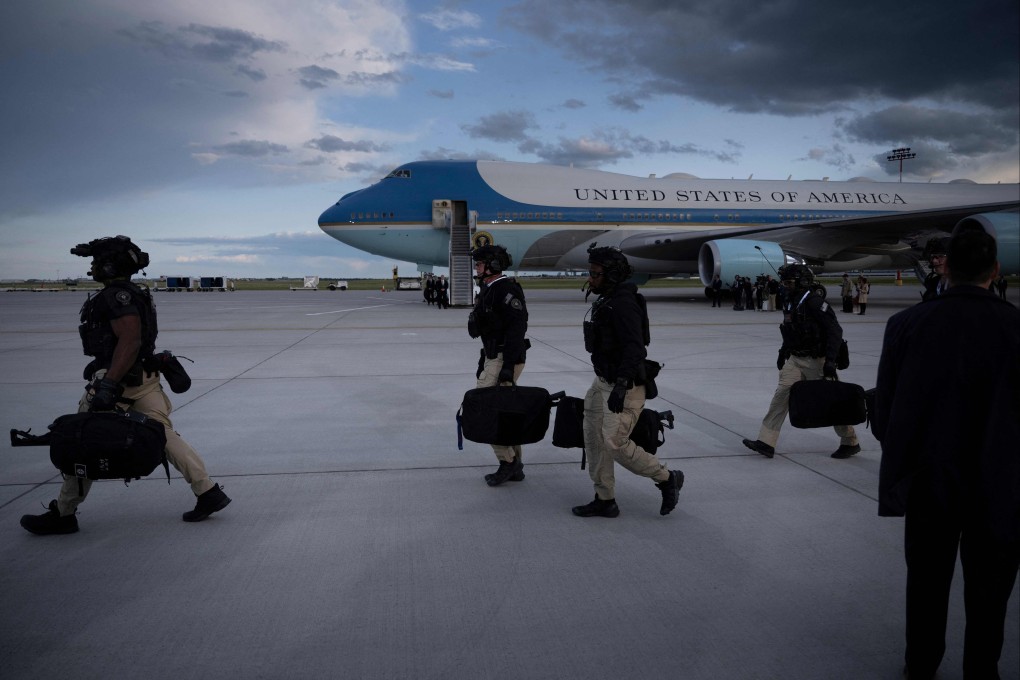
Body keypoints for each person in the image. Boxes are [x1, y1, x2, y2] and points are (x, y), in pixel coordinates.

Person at [872, 228, 1019, 679]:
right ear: (995, 271)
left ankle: (921, 663)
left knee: (928, 583)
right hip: (1001, 483)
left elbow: (884, 415)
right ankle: (981, 668)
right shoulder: (1015, 328)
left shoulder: (906, 325)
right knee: (990, 590)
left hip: (929, 480)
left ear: (946, 267)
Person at [20, 236, 231, 535]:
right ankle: (207, 491)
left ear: (108, 266)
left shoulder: (114, 297)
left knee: (82, 439)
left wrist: (108, 384)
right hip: (145, 378)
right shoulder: (134, 293)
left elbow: (129, 340)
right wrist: (94, 248)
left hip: (119, 380)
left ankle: (65, 514)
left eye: (96, 263)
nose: (92, 267)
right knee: (163, 435)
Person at [572, 246, 683, 518]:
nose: (591, 279)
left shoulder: (623, 303)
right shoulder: (607, 299)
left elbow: (635, 348)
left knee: (614, 442)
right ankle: (605, 499)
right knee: (595, 443)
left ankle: (667, 477)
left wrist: (621, 385)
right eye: (590, 272)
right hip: (602, 382)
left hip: (624, 387)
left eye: (595, 273)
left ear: (611, 275)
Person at [742, 264, 860, 460]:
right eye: (784, 282)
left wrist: (830, 360)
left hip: (818, 361)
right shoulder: (790, 301)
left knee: (832, 401)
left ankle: (850, 441)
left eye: (789, 282)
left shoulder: (815, 303)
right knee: (781, 395)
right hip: (795, 359)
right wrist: (783, 352)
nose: (785, 286)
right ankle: (766, 442)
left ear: (802, 282)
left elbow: (835, 331)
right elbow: (790, 331)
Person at [468, 245, 530, 486]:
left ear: (492, 265)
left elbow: (517, 330)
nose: (477, 267)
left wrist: (507, 366)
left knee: (485, 406)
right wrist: (485, 360)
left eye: (480, 263)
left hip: (507, 357)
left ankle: (508, 462)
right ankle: (514, 464)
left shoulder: (506, 290)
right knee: (505, 411)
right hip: (496, 356)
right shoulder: (490, 289)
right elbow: (490, 331)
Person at [920, 237, 949, 302]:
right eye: (933, 257)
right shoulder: (933, 284)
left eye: (941, 256)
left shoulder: (963, 287)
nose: (934, 261)